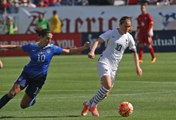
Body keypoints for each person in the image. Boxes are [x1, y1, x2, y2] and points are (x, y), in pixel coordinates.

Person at [0, 29, 90, 109]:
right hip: (26, 74)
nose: (49, 40)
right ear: (41, 37)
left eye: (50, 38)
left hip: (39, 79)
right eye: (47, 38)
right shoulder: (32, 47)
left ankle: (32, 100)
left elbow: (68, 51)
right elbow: (16, 47)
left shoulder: (52, 48)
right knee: (12, 93)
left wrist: (83, 48)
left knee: (23, 105)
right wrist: (2, 46)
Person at [81, 16, 142, 117]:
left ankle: (87, 104)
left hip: (114, 67)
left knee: (105, 93)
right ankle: (93, 106)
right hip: (104, 61)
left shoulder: (129, 37)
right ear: (120, 24)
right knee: (107, 86)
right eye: (126, 26)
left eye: (129, 27)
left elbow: (134, 52)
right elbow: (98, 41)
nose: (127, 28)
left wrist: (138, 67)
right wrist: (92, 51)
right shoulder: (111, 32)